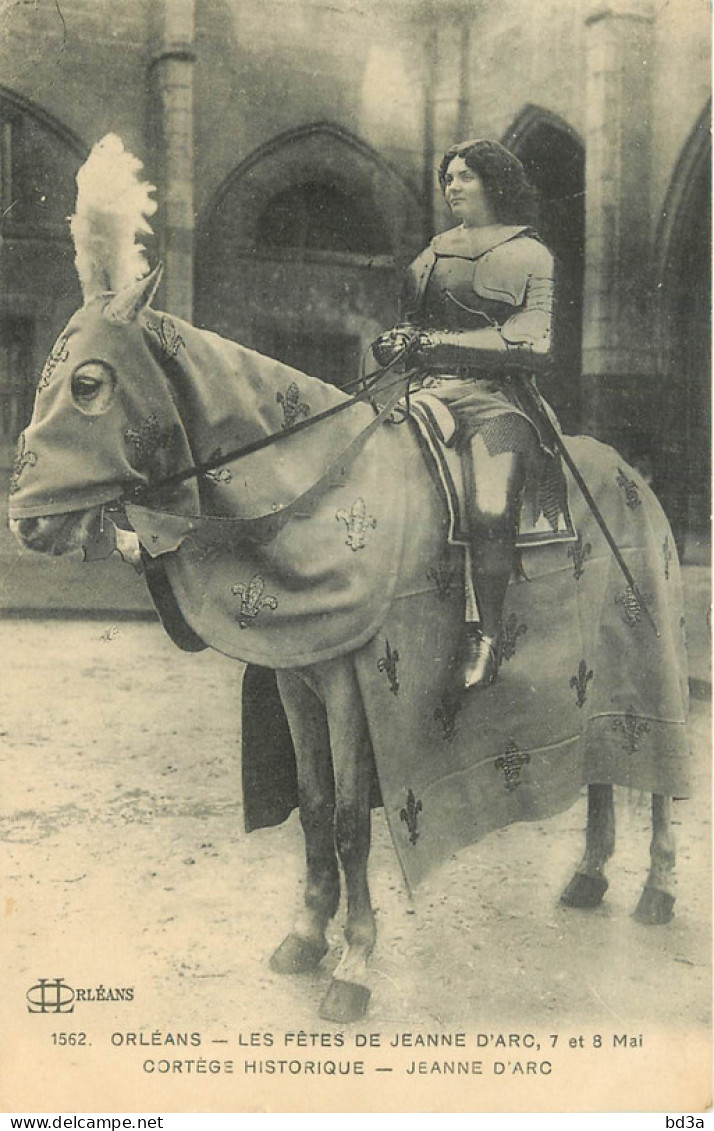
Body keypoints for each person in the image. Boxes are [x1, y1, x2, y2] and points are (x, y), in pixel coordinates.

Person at [372, 138, 560, 692]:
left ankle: (489, 635)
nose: (452, 187)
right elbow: (412, 326)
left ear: (494, 183)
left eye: (465, 177)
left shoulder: (530, 254)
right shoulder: (431, 254)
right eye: (448, 178)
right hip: (423, 391)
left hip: (497, 401)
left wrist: (436, 342)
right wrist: (398, 343)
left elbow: (536, 343)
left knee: (490, 502)